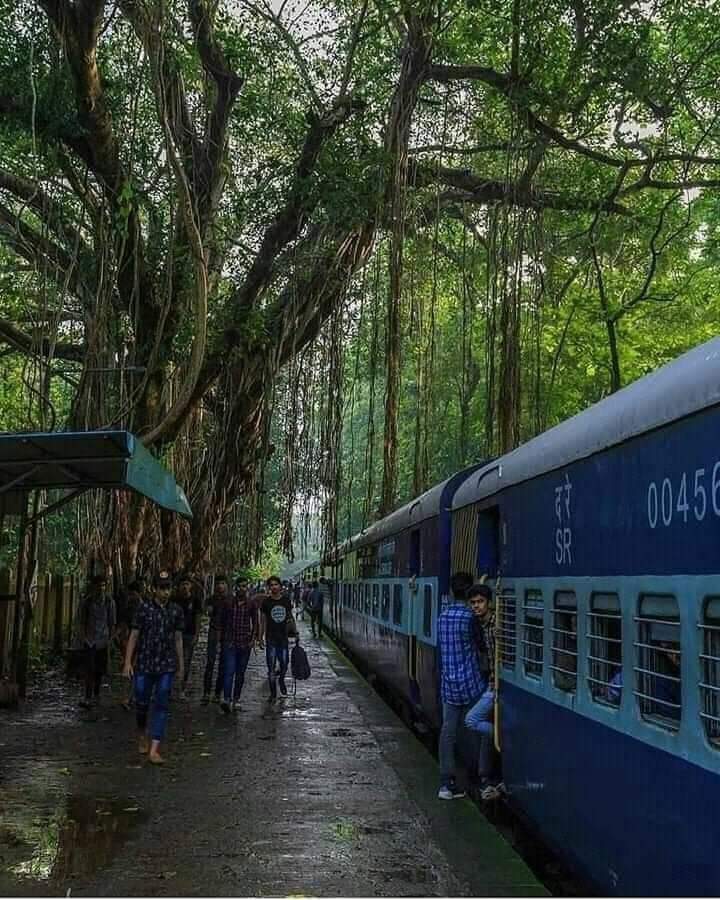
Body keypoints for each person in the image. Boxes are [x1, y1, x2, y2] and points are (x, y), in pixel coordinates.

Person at [122, 570, 184, 764]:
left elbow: (178, 639)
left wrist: (181, 666)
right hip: (144, 663)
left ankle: (155, 748)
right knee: (141, 701)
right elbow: (134, 635)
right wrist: (127, 662)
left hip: (166, 664)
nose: (165, 592)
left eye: (168, 588)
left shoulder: (176, 610)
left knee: (162, 704)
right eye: (162, 588)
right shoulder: (143, 609)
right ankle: (142, 733)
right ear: (154, 589)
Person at [436, 571, 486, 800]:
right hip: (471, 683)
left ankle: (446, 783)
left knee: (448, 733)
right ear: (468, 594)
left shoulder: (442, 617)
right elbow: (482, 648)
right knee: (476, 728)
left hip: (449, 685)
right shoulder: (470, 618)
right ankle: (479, 779)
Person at [464, 583, 504, 801]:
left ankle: (501, 735)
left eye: (480, 602)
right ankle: (486, 778)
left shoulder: (497, 622)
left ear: (488, 602)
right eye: (473, 603)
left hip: (496, 684)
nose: (476, 606)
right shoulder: (478, 624)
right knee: (482, 729)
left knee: (471, 720)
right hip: (490, 682)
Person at [76, 573, 116, 710]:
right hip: (90, 640)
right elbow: (81, 621)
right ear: (93, 587)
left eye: (103, 585)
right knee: (89, 669)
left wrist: (110, 639)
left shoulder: (109, 602)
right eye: (98, 586)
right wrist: (82, 637)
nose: (101, 588)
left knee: (100, 670)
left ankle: (97, 694)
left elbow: (112, 622)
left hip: (103, 640)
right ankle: (87, 696)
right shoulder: (87, 602)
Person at [219, 579, 258, 714]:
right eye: (240, 586)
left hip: (245, 643)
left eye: (245, 586)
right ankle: (226, 699)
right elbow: (222, 622)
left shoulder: (251, 604)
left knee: (240, 674)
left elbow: (255, 623)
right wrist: (223, 639)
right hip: (230, 643)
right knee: (229, 671)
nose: (243, 588)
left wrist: (253, 640)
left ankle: (236, 699)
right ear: (236, 588)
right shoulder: (228, 603)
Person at [259, 575, 296, 702]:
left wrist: (295, 631)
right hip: (271, 638)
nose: (274, 587)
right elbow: (263, 620)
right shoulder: (266, 602)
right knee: (271, 667)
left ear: (280, 586)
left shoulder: (286, 601)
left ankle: (281, 680)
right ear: (269, 587)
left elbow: (290, 617)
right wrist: (260, 637)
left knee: (285, 664)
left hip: (283, 638)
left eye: (276, 584)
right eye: (271, 585)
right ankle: (273, 692)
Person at [116, 580, 143, 710]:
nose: (131, 596)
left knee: (138, 670)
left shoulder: (145, 608)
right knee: (129, 669)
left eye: (133, 594)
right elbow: (123, 624)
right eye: (130, 594)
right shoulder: (128, 607)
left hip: (141, 643)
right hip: (130, 643)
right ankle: (127, 697)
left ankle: (133, 697)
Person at [173, 573, 202, 698]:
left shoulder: (195, 600)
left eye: (187, 584)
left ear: (191, 586)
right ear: (179, 586)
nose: (185, 587)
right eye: (183, 584)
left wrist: (197, 634)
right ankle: (170, 687)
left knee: (186, 661)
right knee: (172, 661)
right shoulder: (174, 600)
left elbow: (198, 618)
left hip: (189, 634)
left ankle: (182, 689)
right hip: (174, 634)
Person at [202, 574, 229, 704]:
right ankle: (206, 692)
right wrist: (209, 610)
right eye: (218, 583)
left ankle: (218, 693)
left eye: (223, 583)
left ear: (227, 585)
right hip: (213, 631)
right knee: (210, 662)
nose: (220, 586)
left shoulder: (231, 600)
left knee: (223, 664)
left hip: (226, 633)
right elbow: (207, 611)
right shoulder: (211, 599)